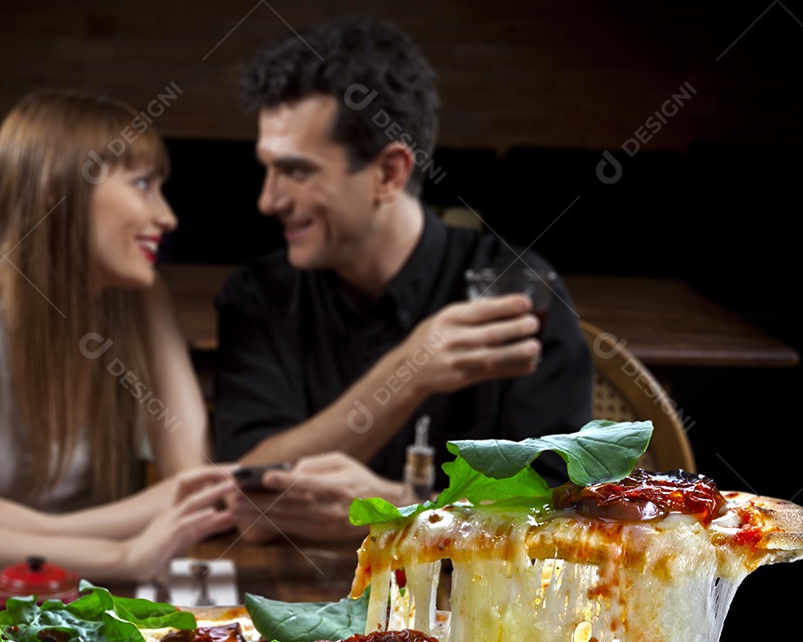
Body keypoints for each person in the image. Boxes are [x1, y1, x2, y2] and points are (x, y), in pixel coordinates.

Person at [213, 17, 593, 541]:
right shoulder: (257, 296)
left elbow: (560, 520)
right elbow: (240, 498)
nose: (268, 200)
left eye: (296, 171)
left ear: (389, 173)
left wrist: (404, 512)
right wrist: (411, 369)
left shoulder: (518, 291)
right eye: (268, 168)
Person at [0, 90, 235, 581]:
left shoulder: (142, 298)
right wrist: (121, 558)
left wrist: (48, 529)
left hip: (47, 594)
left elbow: (199, 490)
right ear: (60, 193)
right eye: (142, 184)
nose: (167, 217)